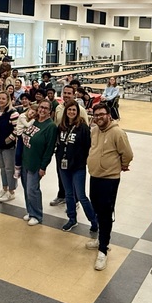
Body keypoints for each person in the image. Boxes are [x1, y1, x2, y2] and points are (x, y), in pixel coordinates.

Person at [85, 103, 133, 271]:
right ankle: (101, 238)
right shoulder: (95, 131)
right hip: (95, 176)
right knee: (97, 209)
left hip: (109, 179)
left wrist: (122, 165)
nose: (98, 117)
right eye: (95, 114)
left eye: (101, 114)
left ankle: (103, 250)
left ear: (109, 115)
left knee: (105, 214)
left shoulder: (117, 133)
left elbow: (127, 153)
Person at [55, 100, 98, 234]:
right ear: (65, 111)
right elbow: (59, 144)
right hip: (63, 165)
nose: (71, 112)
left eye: (74, 110)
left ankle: (94, 220)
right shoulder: (61, 126)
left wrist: (84, 161)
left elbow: (88, 146)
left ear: (78, 112)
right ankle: (72, 219)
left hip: (78, 166)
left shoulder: (83, 127)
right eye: (69, 110)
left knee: (81, 195)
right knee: (68, 194)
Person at [19, 99, 56, 226]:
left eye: (46, 108)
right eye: (41, 107)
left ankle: (37, 215)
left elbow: (49, 149)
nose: (42, 110)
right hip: (25, 160)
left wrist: (43, 167)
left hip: (36, 164)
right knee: (26, 188)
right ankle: (30, 211)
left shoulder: (50, 127)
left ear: (50, 111)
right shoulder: (34, 121)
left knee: (32, 190)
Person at [0, 90, 19, 202]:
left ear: (8, 100)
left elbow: (18, 129)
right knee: (2, 168)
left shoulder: (13, 113)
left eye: (3, 99)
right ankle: (4, 188)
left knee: (9, 168)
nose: (1, 100)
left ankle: (11, 191)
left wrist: (9, 139)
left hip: (8, 146)